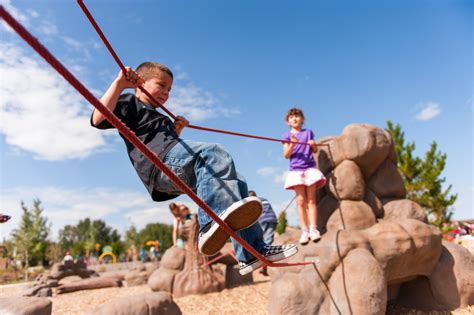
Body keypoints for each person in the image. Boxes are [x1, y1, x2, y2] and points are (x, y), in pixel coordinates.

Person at [91, 62, 297, 275]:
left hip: (172, 170)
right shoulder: (129, 102)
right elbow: (98, 119)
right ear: (140, 82)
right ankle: (208, 225)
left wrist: (176, 130)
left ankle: (251, 251)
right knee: (214, 152)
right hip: (158, 166)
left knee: (237, 180)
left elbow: (173, 150)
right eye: (161, 85)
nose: (166, 93)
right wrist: (119, 84)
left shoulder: (162, 118)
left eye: (169, 89)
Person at [282, 108, 326, 245]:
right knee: (300, 201)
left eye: (297, 116)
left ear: (302, 119)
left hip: (309, 169)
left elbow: (315, 150)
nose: (294, 118)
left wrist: (313, 145)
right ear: (288, 121)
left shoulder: (308, 132)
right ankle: (304, 230)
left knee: (311, 200)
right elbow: (286, 155)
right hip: (296, 170)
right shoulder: (286, 135)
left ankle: (314, 229)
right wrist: (293, 144)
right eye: (291, 117)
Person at [248, 191, 278, 276]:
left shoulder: (252, 202)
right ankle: (263, 265)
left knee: (262, 241)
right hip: (271, 219)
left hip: (261, 220)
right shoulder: (264, 200)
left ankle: (262, 263)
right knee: (267, 241)